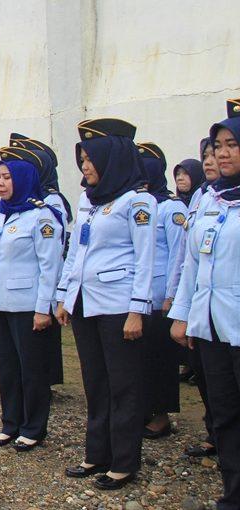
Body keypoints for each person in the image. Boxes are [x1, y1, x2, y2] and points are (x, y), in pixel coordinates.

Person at [56, 119, 155, 490]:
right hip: (85, 304)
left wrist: (136, 310)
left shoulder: (138, 201)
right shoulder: (88, 199)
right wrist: (66, 296)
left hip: (118, 307)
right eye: (81, 160)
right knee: (95, 383)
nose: (85, 168)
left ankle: (124, 462)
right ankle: (97, 453)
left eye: (91, 160)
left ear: (111, 159)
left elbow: (146, 260)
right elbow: (76, 251)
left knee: (123, 386)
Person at [170, 99, 240, 509]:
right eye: (217, 145)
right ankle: (232, 494)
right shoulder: (210, 199)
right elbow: (192, 266)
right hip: (211, 328)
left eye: (232, 144)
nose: (223, 153)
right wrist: (182, 317)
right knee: (225, 415)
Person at [0, 147, 64, 451]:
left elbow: (50, 266)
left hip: (29, 306)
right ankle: (10, 424)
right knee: (8, 367)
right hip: (1, 304)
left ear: (24, 178)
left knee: (32, 370)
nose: (0, 183)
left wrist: (44, 309)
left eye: (7, 177)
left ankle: (34, 427)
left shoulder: (41, 216)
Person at [134, 142, 188, 440]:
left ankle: (162, 415)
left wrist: (172, 295)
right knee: (140, 359)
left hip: (161, 299)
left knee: (160, 360)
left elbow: (179, 255)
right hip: (138, 297)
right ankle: (143, 408)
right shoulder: (137, 202)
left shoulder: (172, 207)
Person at [9, 134, 72, 385]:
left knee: (44, 331)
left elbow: (59, 243)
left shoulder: (51, 199)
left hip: (46, 273)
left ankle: (47, 376)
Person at [177, 137, 220, 460]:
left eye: (216, 153)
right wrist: (182, 312)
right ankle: (215, 433)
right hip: (203, 309)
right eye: (207, 154)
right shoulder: (204, 198)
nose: (211, 160)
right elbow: (190, 259)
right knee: (210, 381)